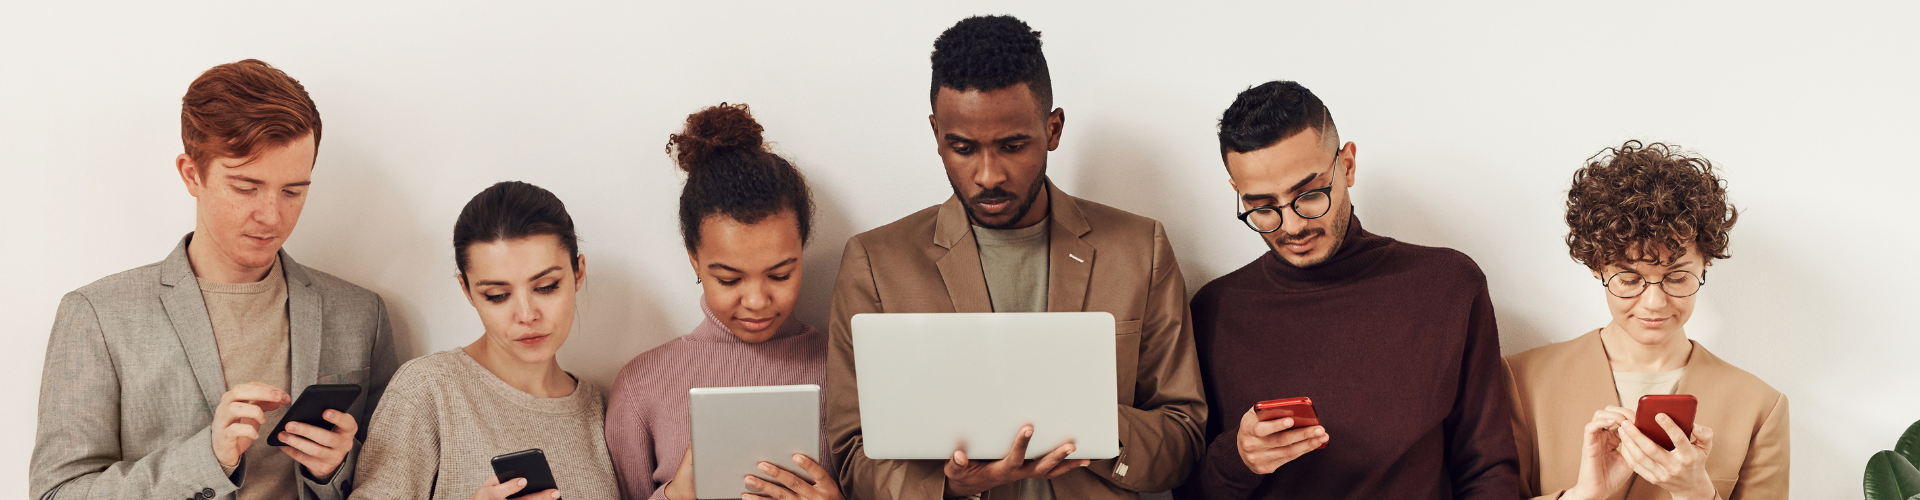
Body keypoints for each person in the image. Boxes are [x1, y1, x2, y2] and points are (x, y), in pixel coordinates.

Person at [826, 15, 1207, 500]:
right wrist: (948, 485)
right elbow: (852, 457)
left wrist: (1087, 421)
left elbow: (1184, 439)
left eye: (1012, 146)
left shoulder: (1139, 249)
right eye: (962, 147)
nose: (988, 175)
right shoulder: (875, 264)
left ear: (1053, 129)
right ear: (936, 133)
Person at [30, 59, 395, 500]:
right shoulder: (98, 315)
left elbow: (396, 477)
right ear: (191, 174)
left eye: (293, 191)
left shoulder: (361, 315)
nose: (272, 215)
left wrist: (337, 468)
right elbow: (57, 493)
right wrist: (206, 459)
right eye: (245, 187)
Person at [1175, 81, 1518, 499]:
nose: (1293, 225)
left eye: (1309, 193)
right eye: (1263, 207)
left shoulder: (1446, 285)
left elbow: (1488, 469)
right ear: (1237, 192)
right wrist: (1239, 458)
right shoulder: (1215, 310)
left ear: (1348, 165)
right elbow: (1187, 491)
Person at [1505, 141, 1788, 499]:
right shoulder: (1522, 381)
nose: (1654, 303)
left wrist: (1698, 494)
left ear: (1706, 264)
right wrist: (1582, 496)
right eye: (1628, 280)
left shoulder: (1760, 407)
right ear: (1597, 268)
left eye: (1677, 278)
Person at [605, 103, 842, 500]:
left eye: (780, 274)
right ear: (694, 258)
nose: (756, 301)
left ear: (802, 250)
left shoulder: (844, 369)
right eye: (729, 279)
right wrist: (674, 495)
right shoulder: (641, 387)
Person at [350, 181, 618, 500]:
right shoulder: (426, 391)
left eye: (546, 286)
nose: (526, 314)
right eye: (497, 295)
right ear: (468, 291)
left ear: (578, 273)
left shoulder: (604, 411)